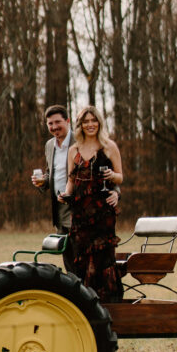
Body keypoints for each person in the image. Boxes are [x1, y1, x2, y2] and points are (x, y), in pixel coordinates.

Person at [58, 105, 123, 302]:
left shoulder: (109, 146)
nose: (90, 125)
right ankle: (85, 301)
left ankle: (107, 303)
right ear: (80, 125)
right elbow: (71, 180)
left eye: (93, 121)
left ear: (99, 123)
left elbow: (120, 177)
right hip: (79, 212)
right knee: (81, 256)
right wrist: (65, 194)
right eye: (85, 122)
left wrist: (112, 176)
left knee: (103, 257)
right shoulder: (73, 150)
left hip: (102, 212)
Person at [31, 104, 75, 271]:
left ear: (68, 121)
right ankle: (73, 295)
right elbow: (52, 173)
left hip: (79, 209)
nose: (54, 127)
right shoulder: (50, 145)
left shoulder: (80, 141)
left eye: (58, 122)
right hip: (60, 212)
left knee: (82, 259)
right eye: (50, 124)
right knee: (68, 259)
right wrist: (43, 182)